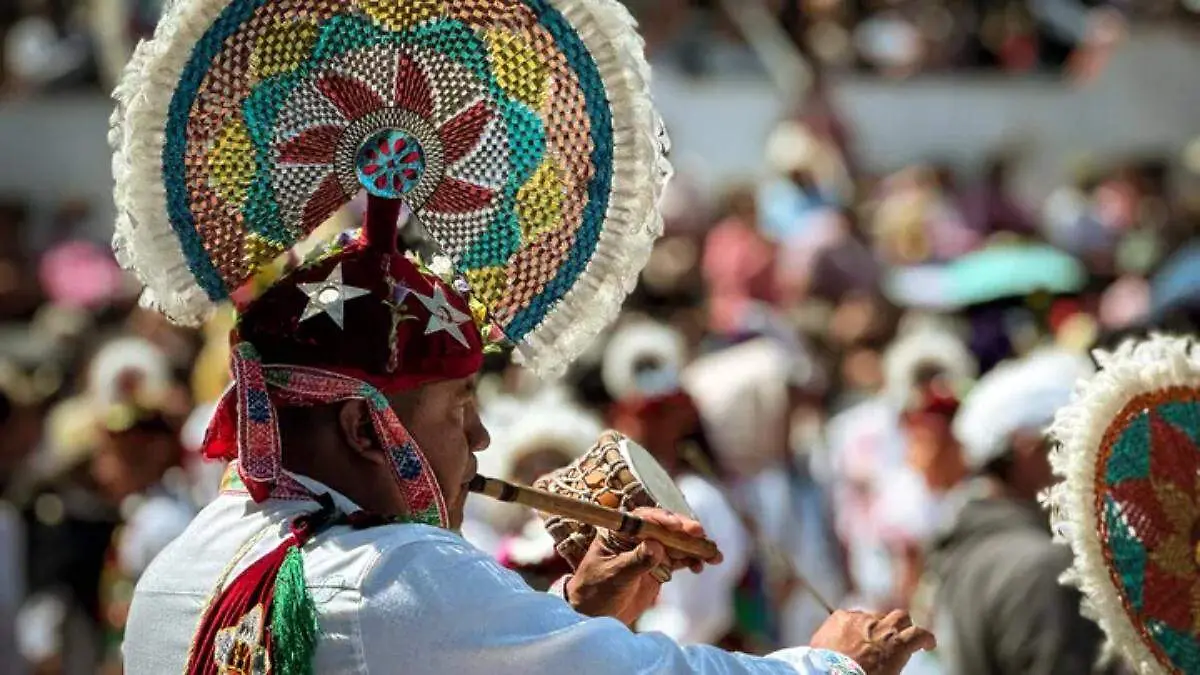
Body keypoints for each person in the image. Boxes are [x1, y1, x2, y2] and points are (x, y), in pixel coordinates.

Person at [112, 2, 934, 673]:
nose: (480, 436)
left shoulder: (181, 567)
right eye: (457, 406)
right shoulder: (398, 572)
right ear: (365, 426)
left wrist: (570, 615)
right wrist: (836, 663)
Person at [923, 348, 1110, 675]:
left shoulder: (968, 544)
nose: (1087, 463)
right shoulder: (1040, 566)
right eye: (1071, 444)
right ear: (1028, 449)